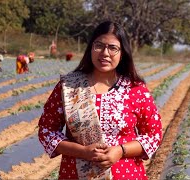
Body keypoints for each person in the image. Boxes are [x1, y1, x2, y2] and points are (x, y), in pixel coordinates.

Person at [38, 21, 162, 179]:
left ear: (122, 53)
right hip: (75, 174)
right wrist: (82, 152)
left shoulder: (136, 90)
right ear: (91, 48)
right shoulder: (69, 86)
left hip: (126, 174)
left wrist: (120, 150)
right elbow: (46, 130)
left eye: (113, 48)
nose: (105, 53)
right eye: (99, 45)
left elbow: (154, 135)